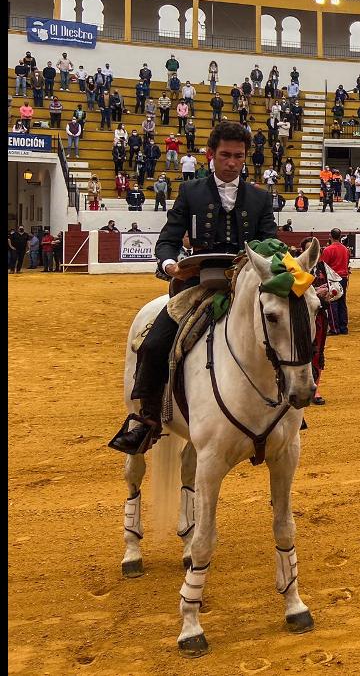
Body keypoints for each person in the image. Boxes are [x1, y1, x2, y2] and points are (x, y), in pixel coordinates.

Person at [109, 121, 277, 455]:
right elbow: (168, 241)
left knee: (283, 333)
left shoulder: (260, 198)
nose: (232, 163)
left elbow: (271, 241)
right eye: (226, 155)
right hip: (199, 286)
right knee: (154, 344)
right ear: (210, 155)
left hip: (245, 288)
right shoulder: (191, 192)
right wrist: (170, 265)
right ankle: (148, 419)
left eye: (239, 156)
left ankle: (287, 407)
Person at [300, 236, 333, 406]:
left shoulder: (323, 268)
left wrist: (330, 292)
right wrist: (313, 291)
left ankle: (315, 389)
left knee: (317, 354)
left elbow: (336, 288)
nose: (312, 253)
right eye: (308, 250)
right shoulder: (297, 269)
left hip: (320, 316)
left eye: (315, 251)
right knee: (301, 353)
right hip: (302, 317)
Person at [320, 228, 351, 334]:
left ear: (330, 236)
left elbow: (323, 265)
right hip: (344, 278)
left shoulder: (328, 250)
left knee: (333, 302)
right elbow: (347, 263)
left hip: (333, 278)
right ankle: (344, 328)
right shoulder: (345, 249)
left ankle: (334, 328)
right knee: (342, 302)